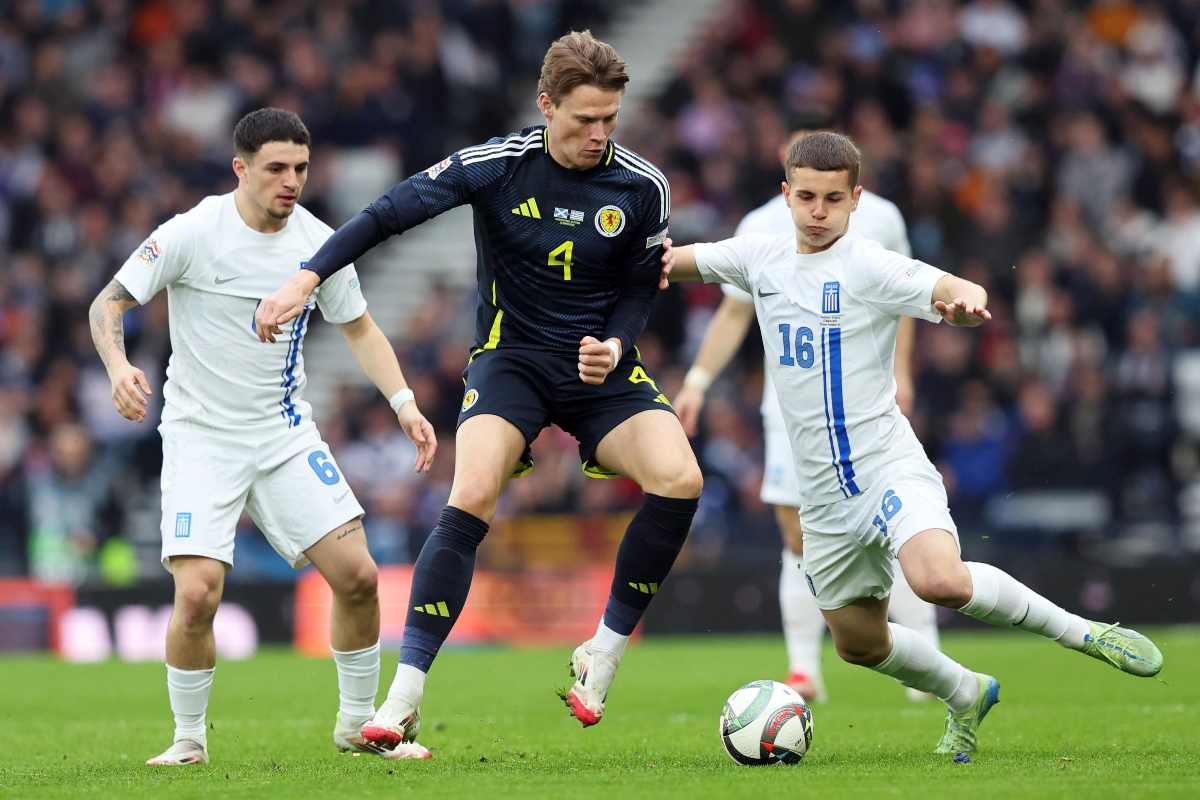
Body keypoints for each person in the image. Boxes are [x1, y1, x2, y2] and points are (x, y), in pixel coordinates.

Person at [254, 31, 701, 753]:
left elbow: (638, 289)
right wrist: (307, 277)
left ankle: (603, 652)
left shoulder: (642, 186)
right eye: (584, 119)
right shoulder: (497, 165)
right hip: (511, 360)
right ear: (546, 105)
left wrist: (616, 345)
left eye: (610, 119)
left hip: (599, 368)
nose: (599, 134)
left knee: (681, 479)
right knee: (472, 492)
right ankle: (404, 698)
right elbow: (387, 213)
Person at [663, 131, 1162, 760]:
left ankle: (1083, 633)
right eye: (807, 197)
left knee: (938, 580)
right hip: (823, 500)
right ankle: (966, 691)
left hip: (885, 467)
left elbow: (949, 286)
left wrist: (965, 301)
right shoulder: (758, 256)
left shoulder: (869, 264)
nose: (819, 212)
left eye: (833, 199)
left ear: (856, 199)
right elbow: (676, 260)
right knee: (858, 644)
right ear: (786, 195)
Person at [88, 108, 438, 765]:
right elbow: (107, 303)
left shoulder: (319, 243)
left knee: (360, 577)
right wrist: (118, 366)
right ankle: (188, 740)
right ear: (240, 169)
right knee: (197, 594)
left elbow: (360, 328)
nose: (291, 181)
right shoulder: (194, 232)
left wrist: (404, 403)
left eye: (301, 168)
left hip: (283, 435)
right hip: (201, 438)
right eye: (276, 168)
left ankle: (356, 726)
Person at [672, 114, 938, 703]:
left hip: (862, 404)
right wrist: (698, 380)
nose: (817, 204)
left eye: (830, 191)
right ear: (786, 171)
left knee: (891, 530)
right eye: (804, 183)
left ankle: (925, 652)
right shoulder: (759, 228)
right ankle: (803, 670)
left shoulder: (881, 218)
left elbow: (907, 299)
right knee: (798, 535)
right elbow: (735, 311)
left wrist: (902, 374)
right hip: (789, 408)